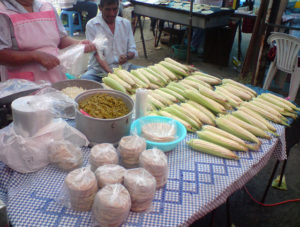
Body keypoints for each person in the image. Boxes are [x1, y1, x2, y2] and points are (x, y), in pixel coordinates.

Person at [0, 0, 96, 83]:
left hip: (54, 77)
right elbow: (2, 55)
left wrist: (78, 44)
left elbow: (61, 39)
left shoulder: (47, 7)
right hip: (23, 85)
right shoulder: (3, 12)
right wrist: (35, 56)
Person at [81, 0, 139, 83]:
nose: (112, 13)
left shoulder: (125, 24)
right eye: (108, 10)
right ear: (100, 8)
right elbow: (98, 54)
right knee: (86, 79)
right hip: (99, 71)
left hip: (124, 69)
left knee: (146, 72)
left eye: (115, 9)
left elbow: (132, 50)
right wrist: (112, 75)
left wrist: (127, 56)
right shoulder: (92, 25)